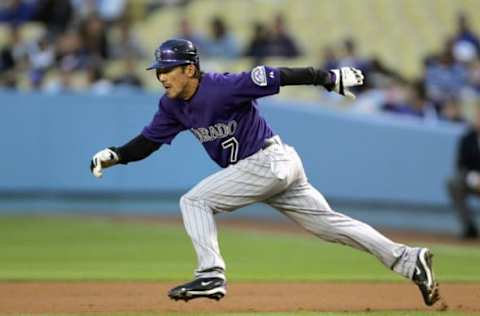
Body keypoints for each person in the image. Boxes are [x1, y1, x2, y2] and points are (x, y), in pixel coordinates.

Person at [90, 39, 440, 306]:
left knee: (194, 201)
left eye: (169, 69)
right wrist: (115, 155)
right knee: (330, 226)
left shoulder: (223, 86)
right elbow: (149, 141)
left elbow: (278, 74)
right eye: (159, 70)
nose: (162, 76)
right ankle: (408, 259)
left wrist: (328, 77)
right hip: (270, 169)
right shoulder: (172, 106)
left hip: (268, 161)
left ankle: (210, 274)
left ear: (191, 70)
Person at [447, 109, 480, 239]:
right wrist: (473, 178)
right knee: (453, 183)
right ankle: (469, 227)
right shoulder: (467, 139)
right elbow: (460, 164)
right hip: (472, 180)